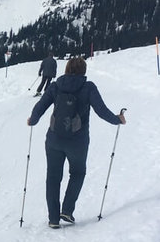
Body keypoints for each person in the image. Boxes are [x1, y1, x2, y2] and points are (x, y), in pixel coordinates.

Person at [27, 57, 126, 228]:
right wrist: (117, 119)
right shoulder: (88, 87)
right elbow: (101, 111)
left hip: (54, 139)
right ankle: (67, 210)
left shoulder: (55, 86)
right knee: (78, 173)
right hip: (78, 142)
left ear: (66, 69)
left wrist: (33, 120)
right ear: (83, 71)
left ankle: (53, 219)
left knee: (53, 177)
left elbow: (40, 106)